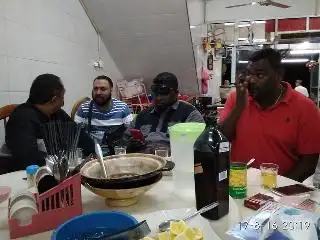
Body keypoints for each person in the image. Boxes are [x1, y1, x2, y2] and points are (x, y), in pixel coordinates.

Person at [219, 48, 320, 182]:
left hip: (281, 192)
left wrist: (277, 191)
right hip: (239, 186)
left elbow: (309, 163)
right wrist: (239, 108)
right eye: (249, 74)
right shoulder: (237, 99)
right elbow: (221, 140)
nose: (252, 80)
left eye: (260, 75)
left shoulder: (305, 108)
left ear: (279, 75)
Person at [5, 74, 94, 171]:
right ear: (54, 100)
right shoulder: (22, 119)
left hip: (61, 171)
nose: (63, 103)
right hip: (29, 177)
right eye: (62, 97)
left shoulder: (57, 113)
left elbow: (82, 138)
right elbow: (29, 161)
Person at [126, 72, 204, 153]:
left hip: (175, 162)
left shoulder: (189, 114)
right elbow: (123, 141)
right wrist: (130, 146)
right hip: (143, 161)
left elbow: (200, 147)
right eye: (156, 93)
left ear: (176, 93)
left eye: (164, 93)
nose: (158, 98)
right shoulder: (143, 115)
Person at [74, 75, 133, 146]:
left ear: (111, 89)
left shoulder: (122, 108)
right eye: (95, 88)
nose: (98, 92)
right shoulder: (84, 108)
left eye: (103, 89)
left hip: (116, 153)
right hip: (92, 153)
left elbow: (131, 133)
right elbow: (75, 135)